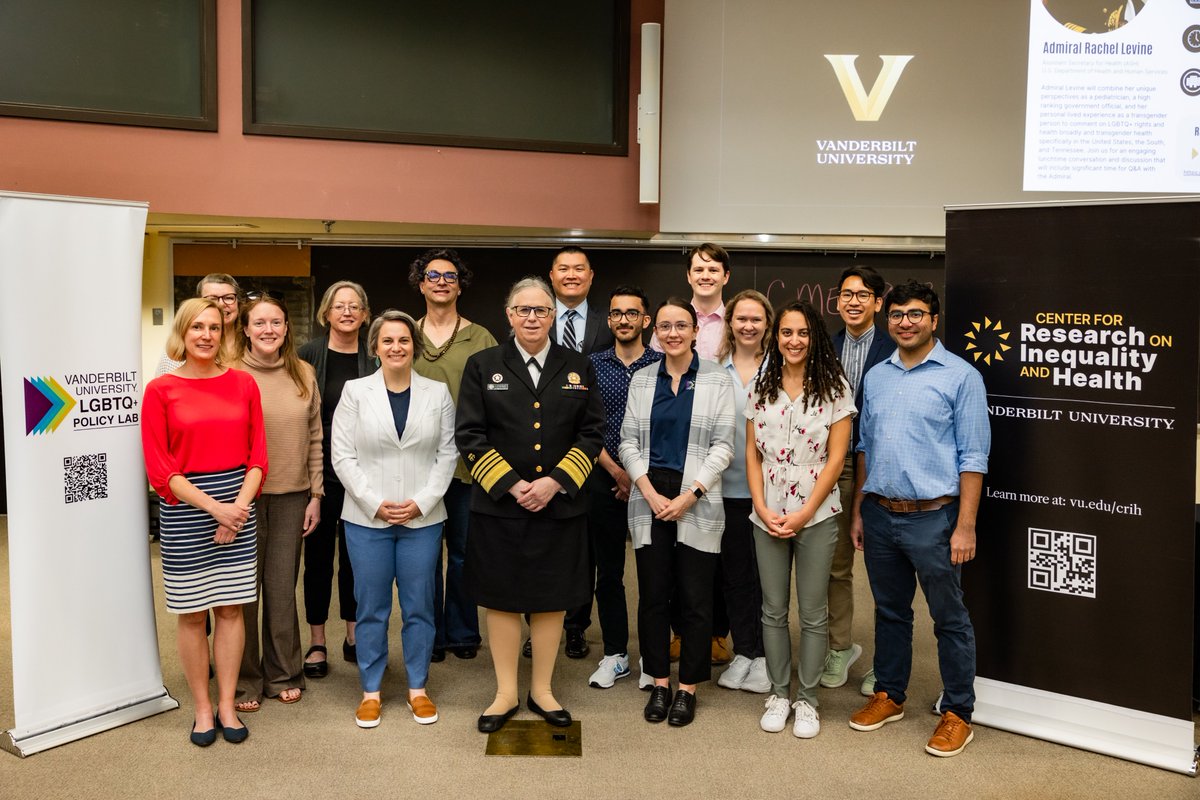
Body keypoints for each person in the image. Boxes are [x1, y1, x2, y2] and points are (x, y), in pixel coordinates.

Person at [456, 276, 605, 733]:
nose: (532, 318)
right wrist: (513, 484)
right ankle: (504, 693)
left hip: (559, 507)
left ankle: (542, 689)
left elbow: (592, 433)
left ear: (553, 315)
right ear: (509, 315)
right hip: (500, 506)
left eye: (541, 310)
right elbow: (470, 435)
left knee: (551, 598)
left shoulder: (579, 366)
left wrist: (556, 482)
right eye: (523, 310)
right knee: (500, 599)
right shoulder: (483, 365)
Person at [848, 281, 990, 758]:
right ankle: (890, 694)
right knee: (890, 613)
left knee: (949, 618)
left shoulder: (960, 376)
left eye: (915, 314)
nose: (904, 322)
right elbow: (864, 445)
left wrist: (965, 526)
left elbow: (974, 457)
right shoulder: (878, 376)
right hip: (880, 513)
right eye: (896, 315)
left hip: (936, 518)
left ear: (933, 319)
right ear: (887, 321)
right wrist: (859, 511)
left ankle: (958, 712)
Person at [141, 298, 267, 747]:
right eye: (197, 327)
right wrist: (218, 510)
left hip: (240, 503)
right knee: (193, 615)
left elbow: (258, 457)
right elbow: (161, 471)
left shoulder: (243, 384)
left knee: (232, 610)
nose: (206, 335)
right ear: (182, 332)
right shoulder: (160, 390)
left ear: (224, 333)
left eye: (214, 327)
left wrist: (237, 508)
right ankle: (201, 708)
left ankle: (228, 704)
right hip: (187, 511)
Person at [332, 310, 458, 728]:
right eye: (387, 341)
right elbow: (342, 456)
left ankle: (417, 688)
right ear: (375, 347)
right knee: (371, 607)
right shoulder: (355, 392)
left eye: (404, 340)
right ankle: (371, 690)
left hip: (422, 520)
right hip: (367, 520)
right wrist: (374, 502)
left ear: (414, 346)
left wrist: (422, 502)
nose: (396, 347)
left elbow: (447, 455)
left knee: (420, 606)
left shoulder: (437, 393)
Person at [620, 298, 734, 727]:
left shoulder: (716, 379)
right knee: (652, 595)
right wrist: (647, 491)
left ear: (693, 331)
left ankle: (687, 689)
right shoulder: (643, 379)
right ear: (656, 332)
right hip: (649, 494)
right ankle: (659, 682)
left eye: (680, 325)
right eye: (664, 326)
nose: (672, 333)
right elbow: (628, 441)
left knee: (695, 596)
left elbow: (724, 445)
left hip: (697, 495)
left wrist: (691, 494)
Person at [748, 301, 856, 739]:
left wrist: (807, 511)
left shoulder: (835, 388)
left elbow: (837, 458)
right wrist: (760, 506)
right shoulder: (761, 384)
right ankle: (778, 693)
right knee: (773, 611)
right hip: (767, 515)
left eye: (804, 333)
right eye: (787, 332)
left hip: (816, 515)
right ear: (777, 337)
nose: (794, 341)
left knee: (812, 614)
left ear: (814, 339)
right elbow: (752, 454)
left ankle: (807, 700)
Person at [232, 296, 322, 711]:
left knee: (282, 590)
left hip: (292, 497)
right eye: (260, 323)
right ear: (246, 329)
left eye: (277, 322)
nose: (269, 330)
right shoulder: (228, 373)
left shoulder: (303, 373)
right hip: (240, 500)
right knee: (243, 592)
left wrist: (315, 495)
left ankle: (284, 673)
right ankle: (246, 680)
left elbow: (316, 438)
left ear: (287, 328)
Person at [409, 248, 498, 663]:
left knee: (462, 553)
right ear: (421, 283)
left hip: (469, 466)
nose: (441, 281)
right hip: (417, 467)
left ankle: (462, 633)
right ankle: (430, 633)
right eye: (433, 275)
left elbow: (497, 402)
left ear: (460, 284)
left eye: (450, 275)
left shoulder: (481, 338)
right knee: (424, 555)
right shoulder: (404, 333)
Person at [651, 243, 735, 664]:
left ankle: (716, 633)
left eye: (713, 268)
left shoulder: (733, 323)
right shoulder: (669, 320)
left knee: (710, 560)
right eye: (698, 268)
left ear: (725, 276)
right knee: (667, 564)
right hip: (670, 449)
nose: (705, 274)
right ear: (688, 276)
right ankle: (678, 633)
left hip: (717, 445)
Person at [584, 285, 661, 689]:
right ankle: (615, 654)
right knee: (608, 573)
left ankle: (652, 657)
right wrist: (617, 472)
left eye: (633, 313)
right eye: (617, 313)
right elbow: (586, 427)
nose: (624, 320)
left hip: (654, 485)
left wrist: (640, 478)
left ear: (646, 320)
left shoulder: (665, 365)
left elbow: (668, 428)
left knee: (653, 573)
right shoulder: (592, 365)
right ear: (609, 320)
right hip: (604, 480)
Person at [298, 281, 375, 677]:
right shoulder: (308, 354)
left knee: (356, 559)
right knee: (317, 560)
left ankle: (354, 634)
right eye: (339, 305)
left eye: (354, 306)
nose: (347, 312)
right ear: (326, 312)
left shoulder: (374, 354)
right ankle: (316, 641)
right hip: (319, 471)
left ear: (365, 314)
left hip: (362, 472)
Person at [824, 266, 894, 696]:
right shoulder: (824, 345)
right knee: (837, 567)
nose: (853, 301)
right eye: (847, 293)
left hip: (884, 468)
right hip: (835, 464)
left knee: (886, 570)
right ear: (837, 301)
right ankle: (839, 647)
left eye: (863, 294)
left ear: (878, 302)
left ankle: (887, 663)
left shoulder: (896, 346)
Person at [545, 245, 614, 660]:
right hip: (545, 449)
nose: (571, 275)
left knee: (587, 548)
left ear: (591, 277)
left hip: (596, 447)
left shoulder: (609, 322)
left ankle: (575, 626)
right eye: (563, 269)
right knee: (548, 543)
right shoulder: (535, 316)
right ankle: (543, 621)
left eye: (579, 269)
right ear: (551, 276)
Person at [713, 289, 772, 694]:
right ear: (729, 323)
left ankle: (769, 658)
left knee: (768, 579)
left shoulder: (783, 365)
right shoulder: (713, 368)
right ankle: (744, 652)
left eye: (756, 319)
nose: (748, 326)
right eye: (741, 319)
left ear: (767, 324)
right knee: (735, 576)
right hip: (727, 490)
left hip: (774, 494)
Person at [155, 273, 243, 376]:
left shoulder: (252, 344)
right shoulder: (179, 351)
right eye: (212, 298)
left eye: (228, 297)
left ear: (238, 302)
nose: (221, 304)